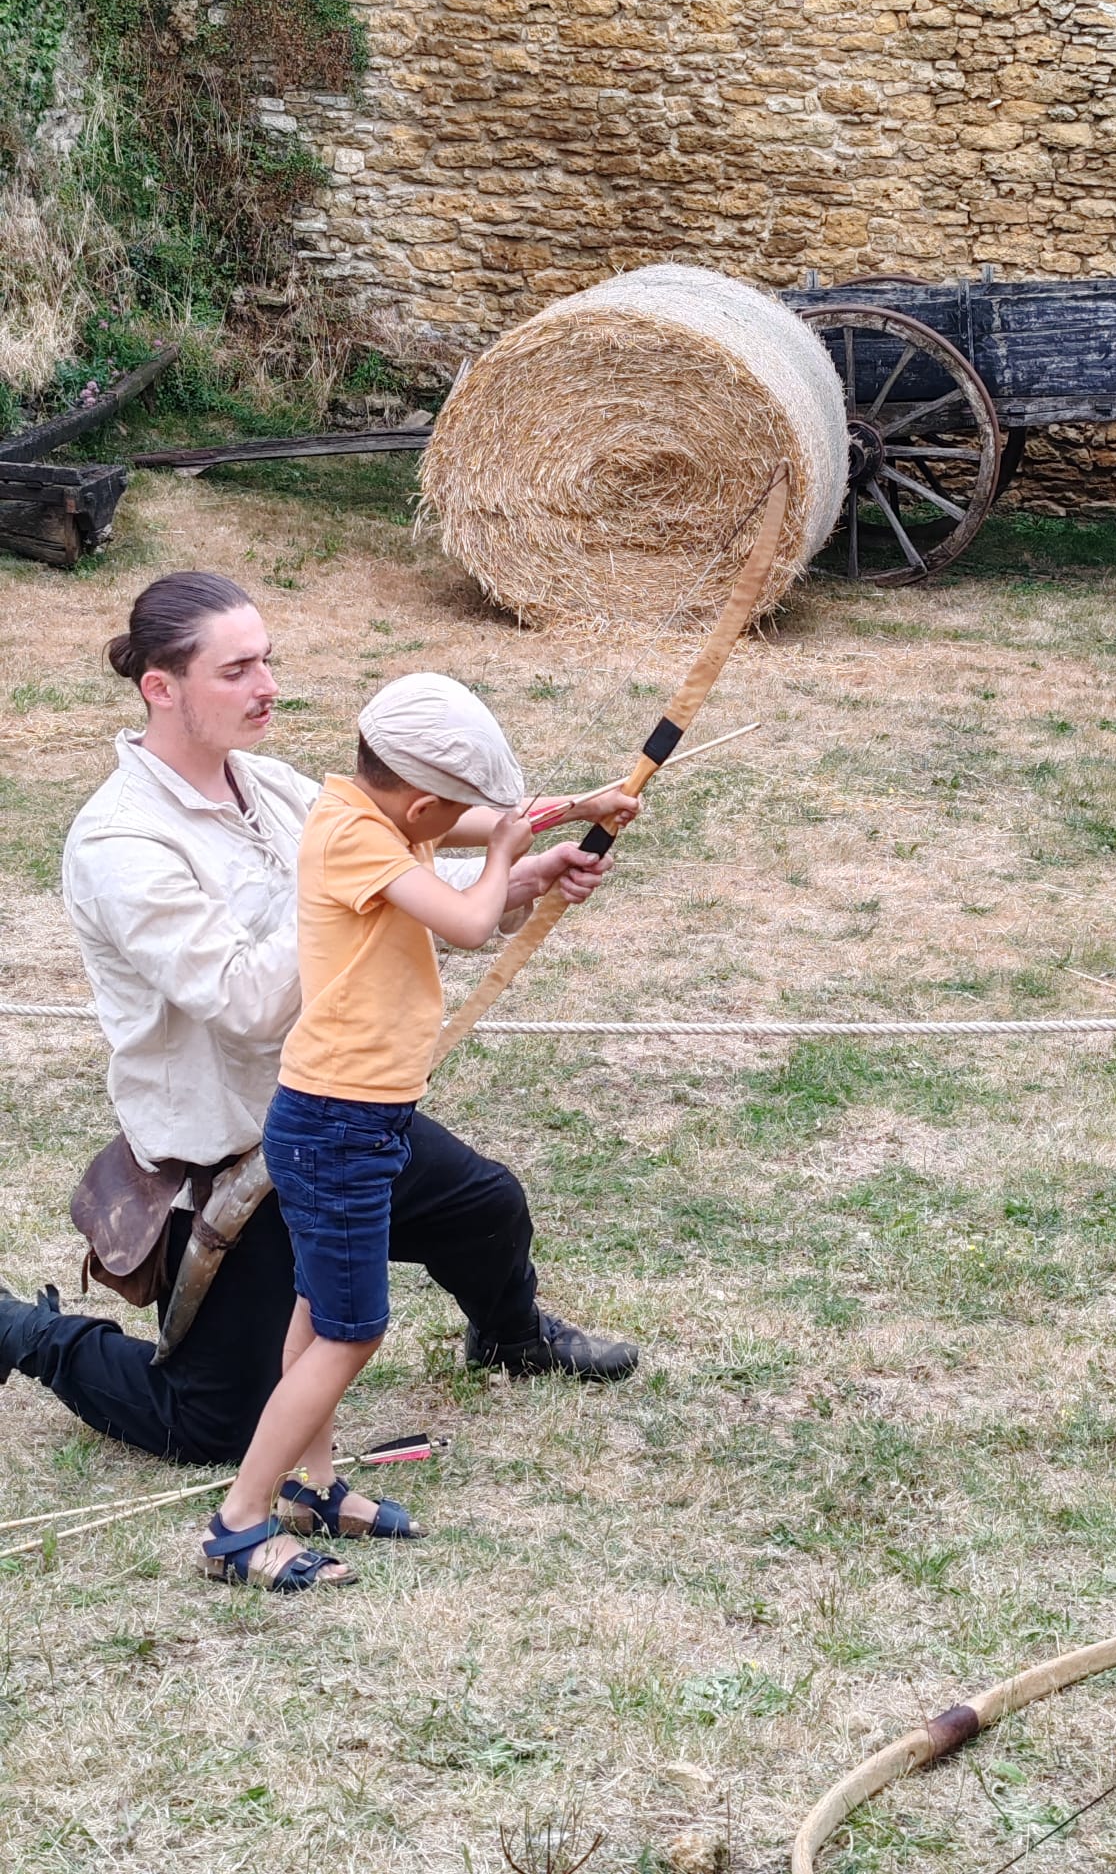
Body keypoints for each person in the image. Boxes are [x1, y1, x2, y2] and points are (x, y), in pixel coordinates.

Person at [0, 573, 639, 1482]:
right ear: (161, 687)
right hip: (235, 1160)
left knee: (485, 1206)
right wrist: (375, 896)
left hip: (334, 1111)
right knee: (216, 1425)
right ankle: (28, 1333)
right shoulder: (120, 844)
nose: (267, 686)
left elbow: (406, 828)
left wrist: (541, 841)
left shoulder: (268, 784)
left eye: (267, 661)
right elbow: (253, 1001)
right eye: (236, 670)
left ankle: (511, 1340)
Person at [204, 674, 535, 1593]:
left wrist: (543, 833)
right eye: (452, 810)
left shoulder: (366, 812)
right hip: (337, 1126)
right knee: (352, 1330)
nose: (460, 821)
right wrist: (509, 851)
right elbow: (471, 920)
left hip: (351, 1118)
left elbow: (472, 841)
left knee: (314, 1316)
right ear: (420, 801)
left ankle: (312, 1490)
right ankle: (238, 1522)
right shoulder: (354, 833)